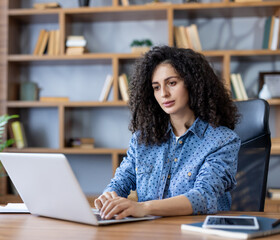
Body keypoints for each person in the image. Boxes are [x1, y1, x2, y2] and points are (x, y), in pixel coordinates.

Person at [94, 45, 241, 220]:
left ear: (192, 84)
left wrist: (143, 207)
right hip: (151, 233)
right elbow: (121, 180)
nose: (163, 93)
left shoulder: (222, 140)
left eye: (172, 83)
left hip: (198, 232)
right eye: (156, 87)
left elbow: (202, 197)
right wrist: (109, 196)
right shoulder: (142, 139)